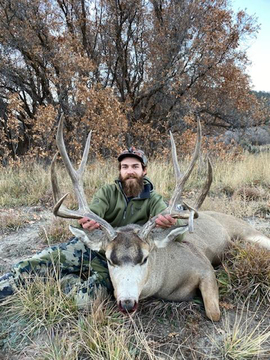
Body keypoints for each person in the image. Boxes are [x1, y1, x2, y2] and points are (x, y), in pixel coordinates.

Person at [0, 147, 179, 306]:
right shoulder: (107, 193)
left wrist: (172, 222)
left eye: (135, 167)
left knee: (87, 300)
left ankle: (61, 280)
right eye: (125, 167)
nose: (130, 171)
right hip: (96, 246)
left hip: (122, 264)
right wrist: (85, 222)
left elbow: (175, 231)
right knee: (32, 264)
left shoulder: (154, 200)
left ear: (144, 171)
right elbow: (89, 214)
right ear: (120, 171)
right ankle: (6, 285)